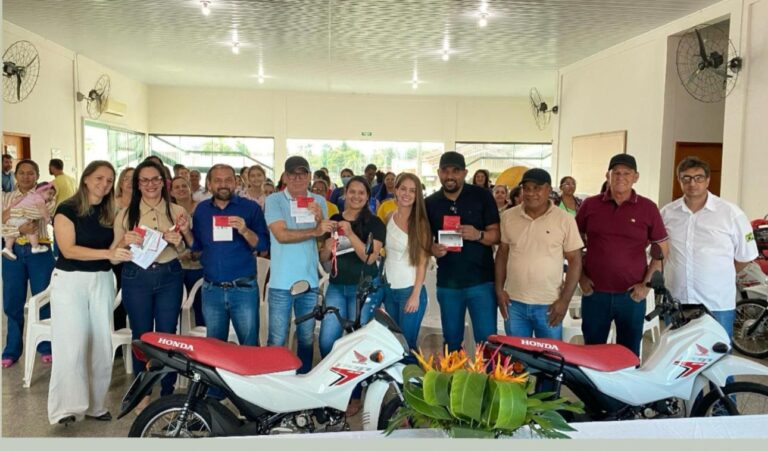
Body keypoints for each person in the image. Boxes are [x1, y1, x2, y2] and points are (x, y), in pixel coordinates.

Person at [47, 160, 132, 425]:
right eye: (99, 178)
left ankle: (96, 405)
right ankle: (66, 409)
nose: (104, 184)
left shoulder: (112, 212)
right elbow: (69, 250)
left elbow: (115, 256)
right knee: (72, 343)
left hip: (102, 280)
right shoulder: (67, 209)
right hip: (70, 281)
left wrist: (125, 243)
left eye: (109, 180)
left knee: (100, 345)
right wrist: (108, 253)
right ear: (85, 179)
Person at [575, 153, 668, 357]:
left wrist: (646, 286)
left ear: (636, 177)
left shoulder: (648, 208)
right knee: (593, 353)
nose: (621, 177)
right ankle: (595, 390)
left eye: (627, 173)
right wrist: (581, 277)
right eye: (616, 172)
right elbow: (573, 244)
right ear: (607, 175)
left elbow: (662, 250)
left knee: (628, 353)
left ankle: (624, 390)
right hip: (594, 294)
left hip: (631, 296)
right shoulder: (590, 205)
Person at [111, 160, 187, 403]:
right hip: (136, 277)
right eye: (144, 180)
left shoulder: (177, 212)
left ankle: (166, 390)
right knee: (141, 335)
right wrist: (124, 241)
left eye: (155, 179)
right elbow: (113, 256)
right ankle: (141, 391)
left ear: (164, 182)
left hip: (169, 275)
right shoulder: (125, 214)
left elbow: (185, 249)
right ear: (137, 184)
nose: (150, 184)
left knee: (167, 335)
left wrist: (178, 240)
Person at [661, 156, 758, 344]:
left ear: (707, 180)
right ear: (679, 181)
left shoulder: (730, 213)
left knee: (717, 361)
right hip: (678, 301)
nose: (692, 183)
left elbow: (745, 255)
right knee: (676, 362)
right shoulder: (667, 213)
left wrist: (721, 274)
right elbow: (659, 251)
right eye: (686, 178)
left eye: (698, 178)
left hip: (716, 302)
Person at [180, 164, 269, 346]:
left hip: (243, 289)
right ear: (210, 184)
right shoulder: (202, 210)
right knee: (215, 348)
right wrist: (185, 231)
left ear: (236, 182)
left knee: (249, 346)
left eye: (228, 180)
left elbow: (263, 244)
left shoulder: (251, 208)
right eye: (218, 180)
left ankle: (247, 376)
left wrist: (244, 230)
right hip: (212, 290)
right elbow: (197, 246)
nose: (223, 184)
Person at [495, 168, 583, 342]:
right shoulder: (508, 217)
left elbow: (575, 261)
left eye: (537, 188)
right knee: (518, 360)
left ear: (549, 190)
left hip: (549, 304)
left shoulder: (565, 219)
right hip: (514, 303)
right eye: (526, 188)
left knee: (550, 361)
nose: (530, 193)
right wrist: (499, 290)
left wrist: (564, 301)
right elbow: (502, 254)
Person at [425, 151, 500, 351]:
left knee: (487, 343)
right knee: (451, 342)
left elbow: (497, 235)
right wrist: (433, 248)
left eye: (456, 171)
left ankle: (487, 382)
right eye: (445, 171)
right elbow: (425, 241)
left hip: (481, 283)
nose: (450, 176)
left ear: (465, 172)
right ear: (439, 173)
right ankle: (454, 382)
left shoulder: (482, 196)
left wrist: (479, 235)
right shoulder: (431, 203)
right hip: (449, 284)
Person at [265, 156, 332, 373]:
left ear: (310, 177)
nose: (297, 178)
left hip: (309, 281)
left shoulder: (319, 202)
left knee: (305, 336)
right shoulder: (275, 200)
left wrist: (320, 221)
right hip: (281, 283)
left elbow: (323, 242)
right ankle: (274, 380)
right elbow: (281, 235)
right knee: (277, 337)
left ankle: (303, 379)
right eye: (292, 174)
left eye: (302, 174)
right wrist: (315, 230)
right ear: (284, 176)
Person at [319, 176, 385, 358]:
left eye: (361, 192)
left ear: (367, 196)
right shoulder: (334, 219)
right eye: (352, 192)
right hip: (337, 286)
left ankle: (357, 384)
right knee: (327, 341)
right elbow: (324, 257)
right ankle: (332, 379)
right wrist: (326, 246)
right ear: (345, 194)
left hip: (364, 289)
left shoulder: (375, 223)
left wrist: (350, 233)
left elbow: (370, 258)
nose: (356, 196)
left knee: (359, 341)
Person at [2, 160, 56, 369]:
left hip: (40, 251)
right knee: (12, 301)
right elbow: (1, 221)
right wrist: (20, 229)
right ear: (16, 175)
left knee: (43, 298)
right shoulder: (4, 196)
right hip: (12, 252)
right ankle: (11, 350)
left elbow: (45, 216)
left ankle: (46, 346)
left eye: (31, 173)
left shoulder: (47, 193)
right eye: (22, 173)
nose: (26, 177)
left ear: (37, 175)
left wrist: (12, 217)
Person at [383, 172, 431, 360]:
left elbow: (422, 262)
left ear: (417, 194)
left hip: (410, 291)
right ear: (395, 190)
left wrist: (415, 295)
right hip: (389, 290)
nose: (407, 194)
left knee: (407, 346)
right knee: (394, 343)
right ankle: (398, 386)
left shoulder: (420, 224)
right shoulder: (388, 216)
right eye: (403, 188)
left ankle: (414, 387)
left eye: (412, 190)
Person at [171, 176, 204, 327]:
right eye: (176, 187)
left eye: (184, 186)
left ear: (190, 188)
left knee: (200, 308)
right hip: (176, 264)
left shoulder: (202, 208)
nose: (181, 189)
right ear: (171, 191)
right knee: (174, 310)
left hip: (198, 265)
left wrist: (195, 253)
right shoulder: (168, 211)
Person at [2, 181, 56, 259]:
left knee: (12, 234)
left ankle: (7, 248)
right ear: (41, 191)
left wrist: (11, 209)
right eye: (50, 193)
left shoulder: (29, 195)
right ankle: (35, 246)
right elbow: (42, 208)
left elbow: (16, 201)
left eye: (53, 195)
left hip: (12, 217)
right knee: (32, 230)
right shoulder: (39, 198)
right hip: (22, 217)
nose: (51, 197)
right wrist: (47, 218)